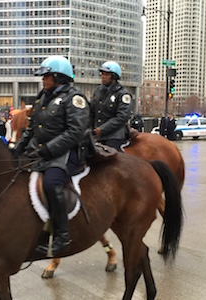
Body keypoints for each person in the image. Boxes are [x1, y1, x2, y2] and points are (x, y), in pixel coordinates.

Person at [14, 55, 89, 256]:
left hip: (67, 152)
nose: (43, 79)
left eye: (46, 76)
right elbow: (32, 127)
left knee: (51, 184)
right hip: (42, 150)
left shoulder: (74, 98)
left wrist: (50, 149)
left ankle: (62, 235)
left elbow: (76, 131)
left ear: (59, 77)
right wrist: (17, 150)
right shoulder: (44, 96)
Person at [90, 61, 132, 151]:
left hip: (114, 135)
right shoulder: (98, 90)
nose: (103, 76)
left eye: (106, 74)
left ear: (114, 77)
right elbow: (91, 111)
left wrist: (102, 129)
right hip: (97, 134)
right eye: (102, 74)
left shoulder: (122, 94)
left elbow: (122, 117)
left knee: (111, 158)